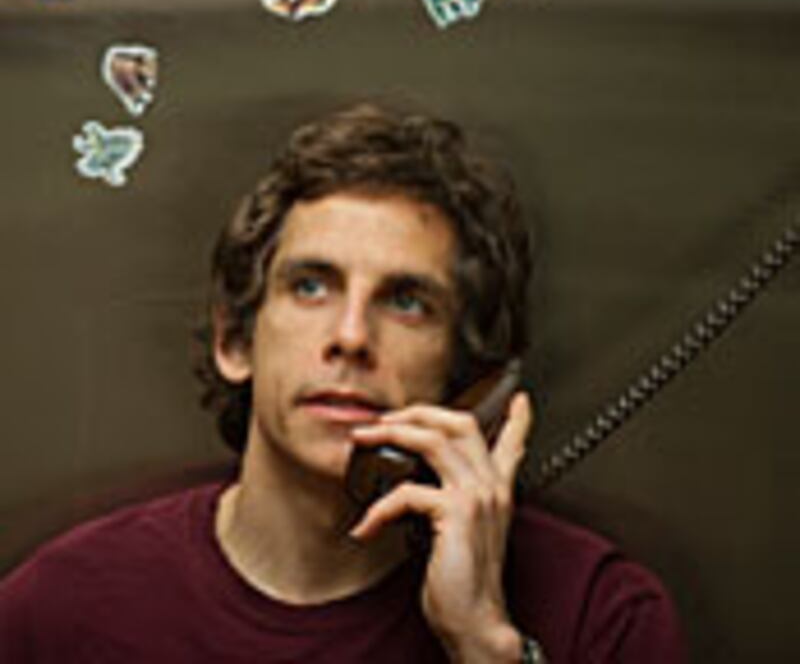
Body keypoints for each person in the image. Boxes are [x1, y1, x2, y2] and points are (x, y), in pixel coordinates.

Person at [0, 104, 687, 663]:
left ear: (472, 381)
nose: (352, 335)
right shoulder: (61, 610)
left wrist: (485, 646)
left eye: (407, 302)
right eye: (310, 286)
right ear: (234, 340)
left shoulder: (598, 615)